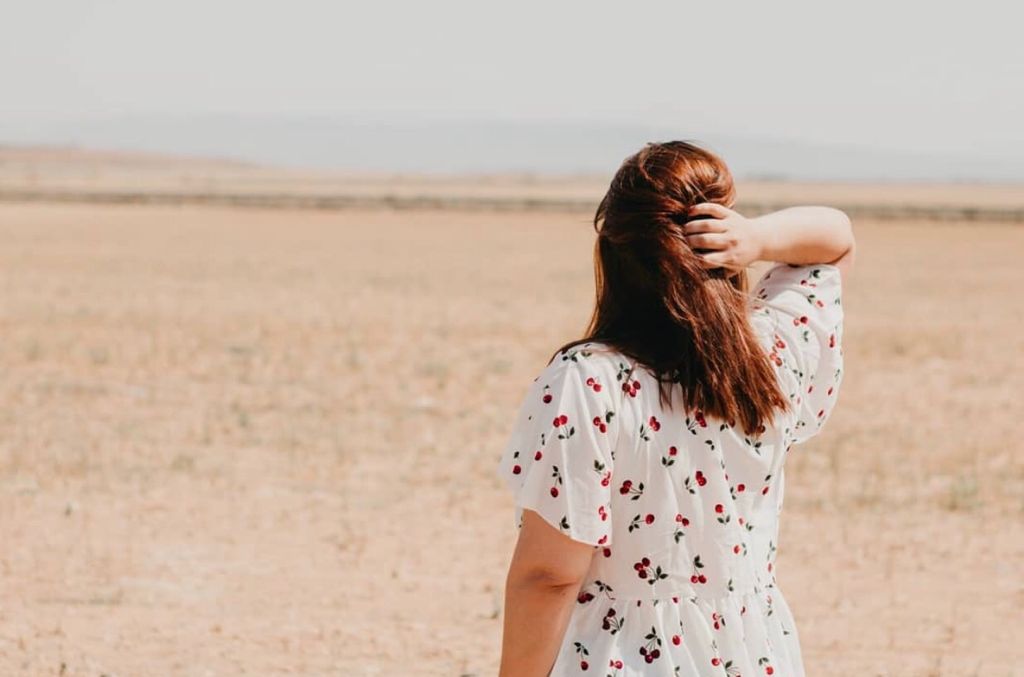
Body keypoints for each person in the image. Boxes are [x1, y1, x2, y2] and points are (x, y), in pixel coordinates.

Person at [494, 140, 855, 676]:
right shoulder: (773, 355)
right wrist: (756, 237)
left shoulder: (590, 381)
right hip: (752, 655)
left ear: (613, 252)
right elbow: (836, 239)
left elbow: (551, 574)